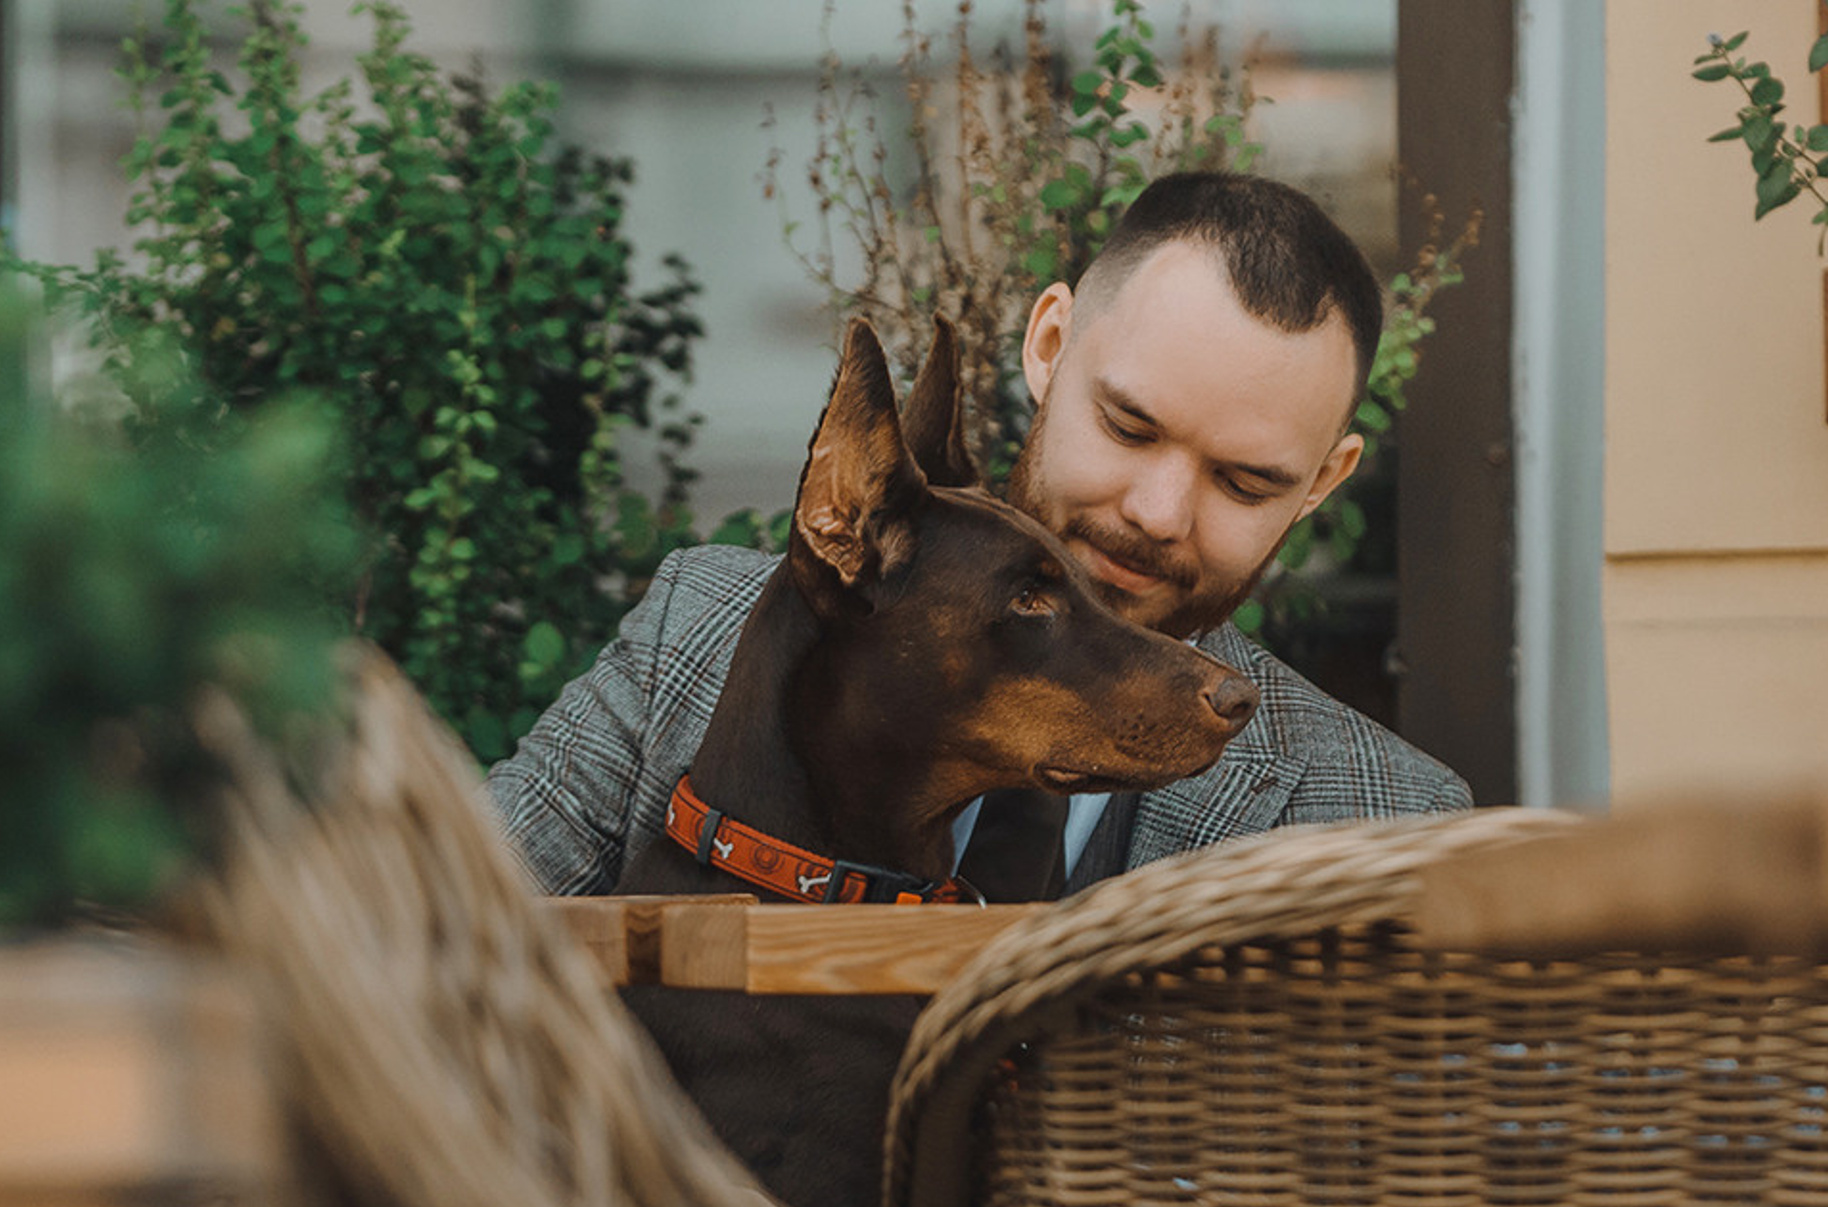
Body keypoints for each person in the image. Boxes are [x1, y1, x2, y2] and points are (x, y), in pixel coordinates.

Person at [488, 171, 1471, 896]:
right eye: (1129, 426)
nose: (1157, 513)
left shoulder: (1384, 820)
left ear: (1321, 484)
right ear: (1048, 347)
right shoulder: (695, 637)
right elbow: (424, 963)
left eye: (1246, 480)